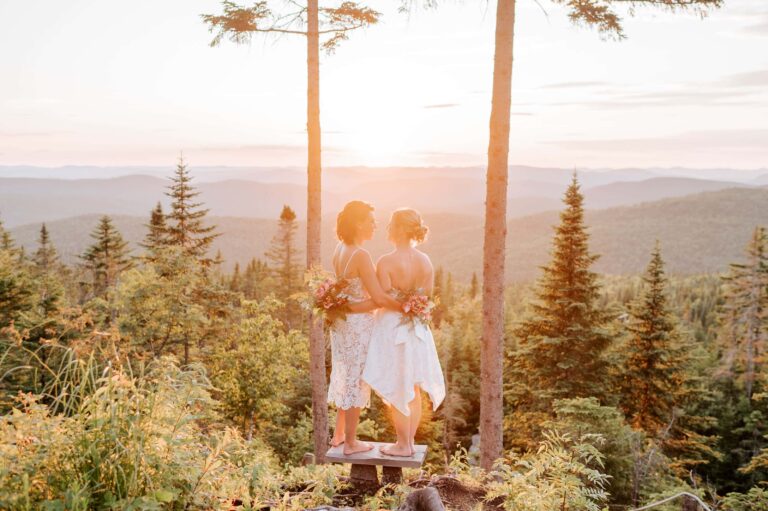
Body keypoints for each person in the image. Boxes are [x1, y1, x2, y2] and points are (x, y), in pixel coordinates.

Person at [362, 208, 445, 457]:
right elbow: (427, 297)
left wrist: (400, 305)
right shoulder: (425, 261)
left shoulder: (386, 261)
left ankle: (402, 445)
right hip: (417, 328)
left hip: (393, 327)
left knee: (399, 384)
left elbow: (381, 298)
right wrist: (413, 307)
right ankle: (408, 441)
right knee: (413, 387)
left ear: (396, 229)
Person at [327, 200, 402, 455]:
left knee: (346, 375)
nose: (375, 225)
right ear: (359, 224)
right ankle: (350, 443)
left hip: (342, 325)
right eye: (371, 221)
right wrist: (405, 306)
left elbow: (346, 298)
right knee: (356, 379)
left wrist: (355, 305)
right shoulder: (361, 255)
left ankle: (339, 434)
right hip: (357, 328)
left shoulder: (340, 249)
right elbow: (379, 299)